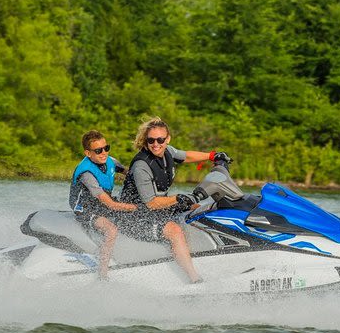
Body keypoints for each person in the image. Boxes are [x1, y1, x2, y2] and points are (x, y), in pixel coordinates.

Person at [119, 117, 231, 284]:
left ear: (167, 139)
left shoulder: (168, 151)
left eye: (160, 140)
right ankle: (194, 279)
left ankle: (212, 254)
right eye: (151, 140)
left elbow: (186, 156)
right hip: (134, 217)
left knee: (197, 208)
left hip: (155, 209)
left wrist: (212, 156)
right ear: (146, 141)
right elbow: (150, 203)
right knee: (174, 230)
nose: (155, 144)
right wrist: (178, 198)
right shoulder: (141, 165)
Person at [70, 130, 137, 280]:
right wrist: (135, 207)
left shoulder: (110, 161)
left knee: (131, 216)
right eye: (98, 150)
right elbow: (109, 203)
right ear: (88, 153)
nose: (104, 153)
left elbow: (129, 173)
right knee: (111, 230)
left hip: (101, 203)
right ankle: (102, 274)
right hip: (85, 208)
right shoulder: (86, 174)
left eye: (106, 148)